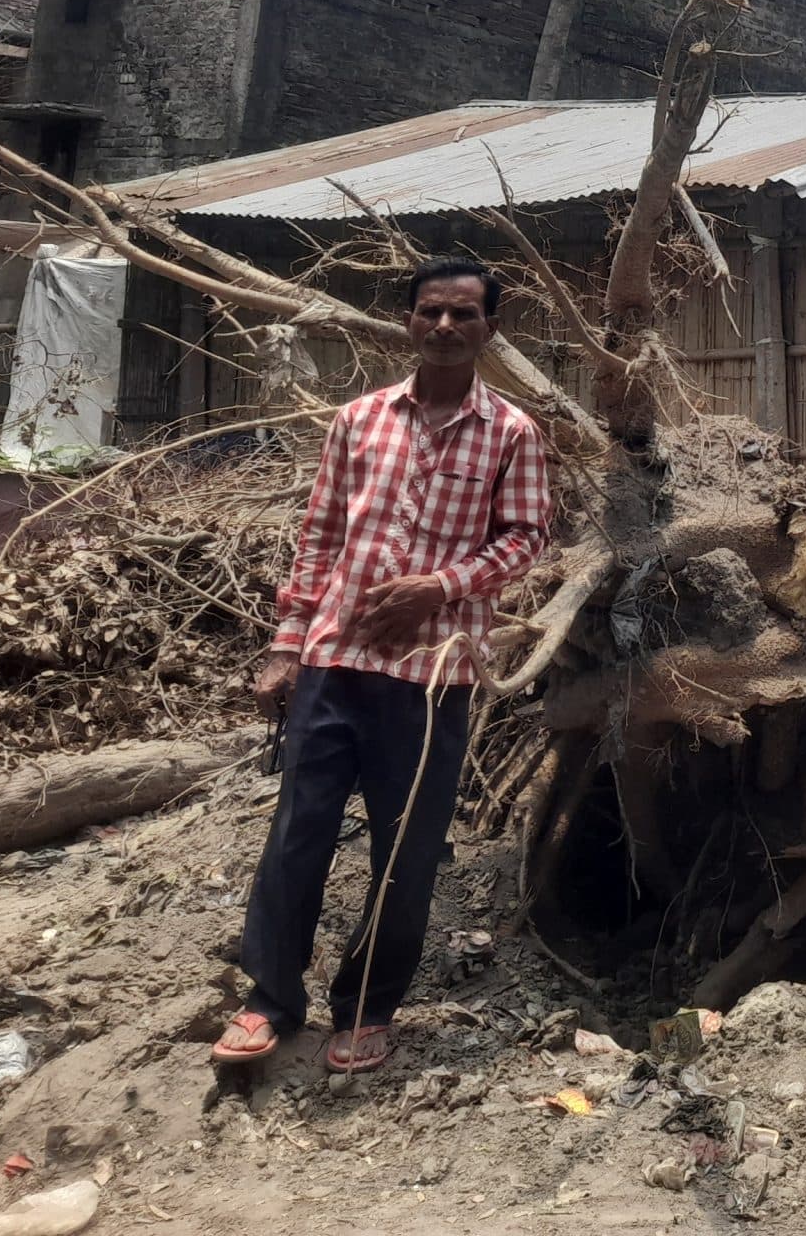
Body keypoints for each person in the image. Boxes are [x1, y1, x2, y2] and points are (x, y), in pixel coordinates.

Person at [210, 255, 551, 1075]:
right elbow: (321, 534)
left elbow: (526, 538)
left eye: (463, 314)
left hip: (433, 676)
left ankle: (367, 1008)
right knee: (298, 833)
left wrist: (439, 587)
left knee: (405, 852)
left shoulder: (512, 432)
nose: (445, 326)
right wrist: (286, 643)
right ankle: (270, 1000)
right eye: (431, 311)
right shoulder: (358, 419)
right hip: (334, 658)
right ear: (408, 321)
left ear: (490, 328)